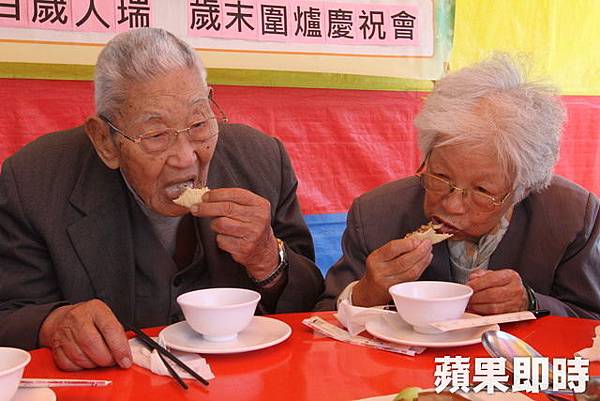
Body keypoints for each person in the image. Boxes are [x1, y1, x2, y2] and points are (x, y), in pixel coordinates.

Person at [0, 28, 323, 370]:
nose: (185, 158)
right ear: (105, 140)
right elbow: (10, 312)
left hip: (245, 379)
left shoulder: (261, 160)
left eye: (199, 123)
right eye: (156, 135)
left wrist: (268, 261)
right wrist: (54, 322)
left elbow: (313, 306)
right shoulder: (36, 181)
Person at [315, 54, 600, 319]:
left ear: (523, 188)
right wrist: (367, 294)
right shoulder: (377, 214)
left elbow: (591, 319)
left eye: (482, 191)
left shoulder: (570, 218)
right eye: (440, 177)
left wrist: (531, 303)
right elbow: (322, 318)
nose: (451, 205)